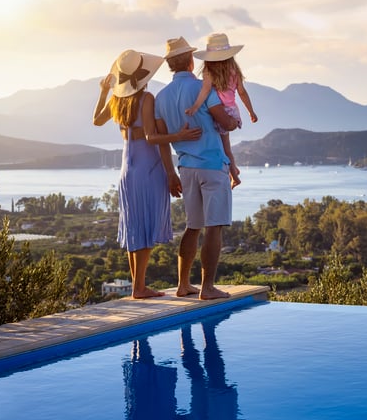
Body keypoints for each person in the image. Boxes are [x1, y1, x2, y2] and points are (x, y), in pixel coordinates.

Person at [93, 49, 202, 299]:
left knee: (135, 227)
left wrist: (104, 91)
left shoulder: (117, 101)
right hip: (148, 168)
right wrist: (180, 136)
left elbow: (96, 121)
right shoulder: (147, 99)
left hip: (126, 170)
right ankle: (140, 287)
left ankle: (137, 286)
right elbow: (152, 138)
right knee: (147, 226)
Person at [154, 36, 240, 300]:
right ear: (192, 60)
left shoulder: (161, 97)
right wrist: (234, 121)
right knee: (214, 227)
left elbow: (162, 142)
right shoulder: (204, 88)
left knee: (193, 226)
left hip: (185, 168)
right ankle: (208, 287)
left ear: (170, 65)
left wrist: (170, 173)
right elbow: (223, 121)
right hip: (212, 166)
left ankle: (183, 285)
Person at [185, 32, 258, 189]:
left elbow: (204, 92)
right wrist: (251, 112)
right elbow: (242, 93)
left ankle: (234, 175)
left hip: (217, 113)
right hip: (232, 111)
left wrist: (195, 107)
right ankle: (234, 170)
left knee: (223, 147)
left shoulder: (208, 72)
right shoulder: (234, 71)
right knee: (226, 146)